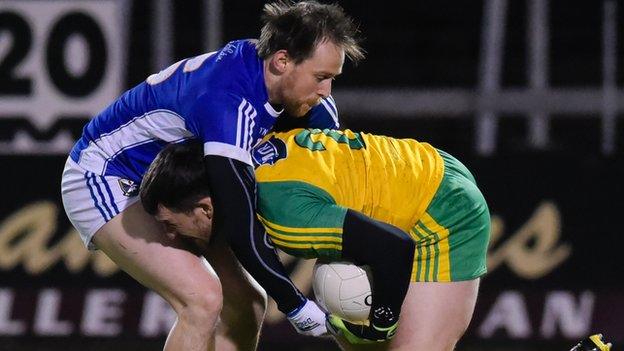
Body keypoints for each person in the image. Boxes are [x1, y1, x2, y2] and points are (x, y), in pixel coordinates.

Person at [60, 1, 364, 350]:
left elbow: (334, 184)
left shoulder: (296, 94)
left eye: (331, 79)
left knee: (247, 306)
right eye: (321, 77)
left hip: (180, 179)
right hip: (106, 177)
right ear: (281, 61)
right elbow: (238, 215)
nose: (326, 91)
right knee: (201, 300)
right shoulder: (227, 102)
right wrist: (294, 302)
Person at [141, 128, 491, 351]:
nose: (170, 236)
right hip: (417, 166)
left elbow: (393, 247)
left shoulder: (283, 218)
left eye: (171, 224)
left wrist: (382, 324)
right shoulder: (245, 147)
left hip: (442, 209)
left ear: (205, 208)